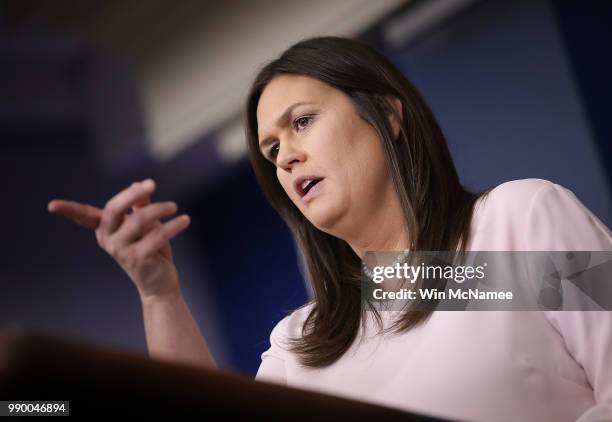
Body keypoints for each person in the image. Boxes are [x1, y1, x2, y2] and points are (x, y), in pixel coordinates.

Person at [48, 36, 612, 421]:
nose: (284, 157)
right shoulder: (302, 344)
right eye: (270, 149)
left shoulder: (518, 220)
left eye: (302, 122)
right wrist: (158, 293)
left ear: (387, 115)